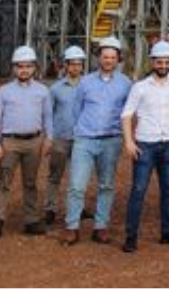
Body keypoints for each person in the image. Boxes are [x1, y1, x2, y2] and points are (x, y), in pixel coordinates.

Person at [120, 41, 169, 253]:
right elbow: (126, 115)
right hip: (145, 146)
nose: (162, 65)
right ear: (152, 62)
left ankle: (167, 232)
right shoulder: (140, 87)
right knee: (139, 190)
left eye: (166, 61)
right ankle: (131, 236)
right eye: (158, 61)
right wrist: (129, 141)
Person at [61, 36, 133, 245]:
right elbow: (76, 110)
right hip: (85, 140)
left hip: (111, 140)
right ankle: (72, 227)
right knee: (76, 185)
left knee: (106, 185)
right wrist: (81, 131)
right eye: (105, 56)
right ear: (98, 58)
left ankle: (100, 227)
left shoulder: (126, 84)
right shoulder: (85, 82)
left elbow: (128, 111)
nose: (108, 60)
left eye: (112, 57)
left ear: (118, 59)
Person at [0, 45, 53, 239]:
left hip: (34, 142)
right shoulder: (4, 91)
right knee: (4, 181)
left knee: (31, 182)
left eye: (28, 66)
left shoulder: (43, 91)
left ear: (34, 68)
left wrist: (49, 138)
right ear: (14, 68)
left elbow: (48, 116)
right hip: (10, 142)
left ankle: (32, 220)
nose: (24, 70)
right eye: (20, 66)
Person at [44, 45, 85, 226]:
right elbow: (48, 115)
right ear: (65, 65)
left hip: (82, 139)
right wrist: (49, 137)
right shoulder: (55, 89)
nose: (75, 68)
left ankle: (77, 208)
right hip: (60, 139)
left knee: (78, 177)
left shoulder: (88, 86)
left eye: (79, 64)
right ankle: (50, 209)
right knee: (55, 175)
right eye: (72, 64)